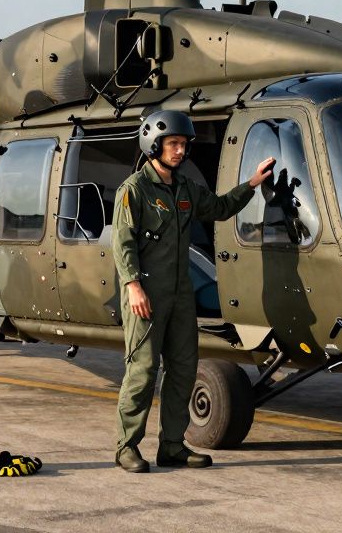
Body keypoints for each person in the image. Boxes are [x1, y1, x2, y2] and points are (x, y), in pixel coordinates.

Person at [112, 110, 274, 473]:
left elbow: (219, 208)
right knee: (143, 370)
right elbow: (122, 242)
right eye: (173, 144)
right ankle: (126, 447)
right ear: (154, 145)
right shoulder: (134, 190)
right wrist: (133, 285)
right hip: (145, 292)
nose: (180, 151)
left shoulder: (185, 189)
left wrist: (251, 184)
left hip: (180, 294)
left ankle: (172, 445)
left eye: (184, 144)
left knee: (183, 370)